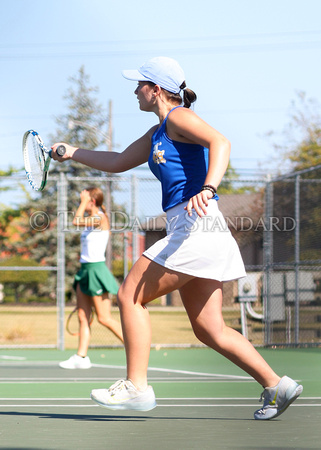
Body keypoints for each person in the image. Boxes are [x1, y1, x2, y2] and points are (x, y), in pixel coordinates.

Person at [52, 56, 302, 418]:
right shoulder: (156, 133)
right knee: (209, 329)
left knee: (129, 295)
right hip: (193, 228)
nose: (135, 90)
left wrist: (210, 187)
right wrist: (72, 152)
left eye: (140, 84)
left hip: (196, 226)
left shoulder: (178, 117)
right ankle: (275, 385)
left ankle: (137, 387)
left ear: (155, 90)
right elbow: (119, 161)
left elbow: (221, 142)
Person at [59, 187, 123, 369]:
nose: (82, 202)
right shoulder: (92, 221)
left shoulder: (100, 218)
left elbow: (76, 221)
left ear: (92, 201)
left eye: (85, 199)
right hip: (85, 270)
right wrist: (83, 201)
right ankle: (81, 357)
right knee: (82, 316)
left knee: (104, 318)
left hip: (96, 270)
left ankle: (134, 346)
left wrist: (82, 202)